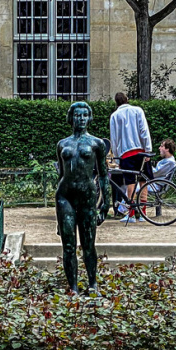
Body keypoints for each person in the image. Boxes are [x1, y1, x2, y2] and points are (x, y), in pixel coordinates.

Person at [56, 102, 110, 294]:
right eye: (77, 115)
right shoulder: (62, 144)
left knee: (89, 244)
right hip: (65, 197)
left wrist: (105, 203)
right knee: (68, 245)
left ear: (89, 118)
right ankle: (72, 287)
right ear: (71, 118)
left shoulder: (97, 143)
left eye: (85, 115)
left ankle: (92, 283)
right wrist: (58, 218)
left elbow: (103, 174)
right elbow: (61, 174)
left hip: (88, 196)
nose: (81, 119)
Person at [109, 92, 152, 223]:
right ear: (127, 99)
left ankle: (131, 213)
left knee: (130, 183)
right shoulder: (138, 110)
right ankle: (143, 212)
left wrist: (116, 156)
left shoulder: (115, 116)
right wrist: (148, 149)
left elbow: (114, 138)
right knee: (143, 181)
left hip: (126, 153)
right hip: (141, 151)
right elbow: (144, 130)